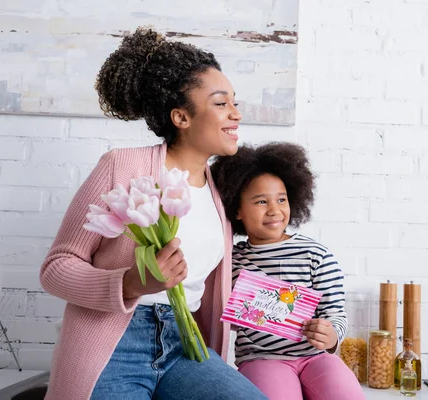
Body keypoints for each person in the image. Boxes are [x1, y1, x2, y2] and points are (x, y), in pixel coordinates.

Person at [40, 27, 267, 400]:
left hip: (184, 344)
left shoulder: (222, 190)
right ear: (181, 117)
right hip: (114, 341)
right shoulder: (122, 166)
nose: (236, 114)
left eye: (235, 102)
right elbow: (56, 268)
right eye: (221, 103)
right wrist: (131, 283)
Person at [210, 143, 365, 400]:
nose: (274, 210)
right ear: (237, 209)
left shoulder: (316, 255)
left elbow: (335, 313)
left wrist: (331, 336)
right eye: (261, 201)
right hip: (262, 358)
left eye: (281, 199)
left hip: (315, 357)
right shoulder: (230, 261)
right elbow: (224, 318)